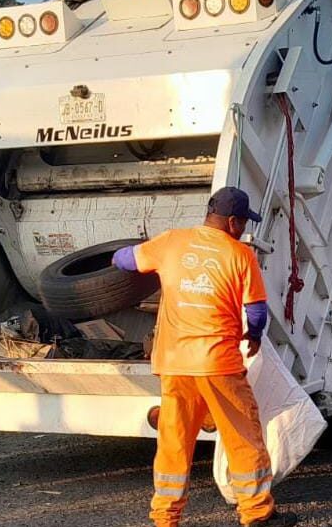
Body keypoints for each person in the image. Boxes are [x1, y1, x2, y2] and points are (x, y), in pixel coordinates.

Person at [112, 186, 297, 527]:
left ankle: (165, 519)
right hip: (218, 364)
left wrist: (119, 254)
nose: (243, 228)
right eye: (242, 222)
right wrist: (252, 338)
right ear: (231, 222)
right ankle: (257, 515)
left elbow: (123, 260)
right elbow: (256, 311)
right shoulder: (241, 255)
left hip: (174, 365)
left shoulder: (170, 242)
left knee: (174, 442)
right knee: (242, 435)